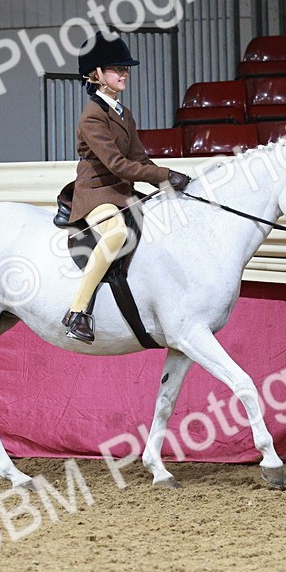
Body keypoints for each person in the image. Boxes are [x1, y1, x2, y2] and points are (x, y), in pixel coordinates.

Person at [63, 33, 191, 344]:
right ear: (96, 74)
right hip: (97, 195)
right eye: (116, 69)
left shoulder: (123, 112)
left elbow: (138, 158)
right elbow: (117, 164)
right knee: (117, 232)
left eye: (126, 69)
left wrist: (166, 180)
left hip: (123, 193)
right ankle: (78, 311)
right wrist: (163, 174)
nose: (124, 74)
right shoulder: (92, 116)